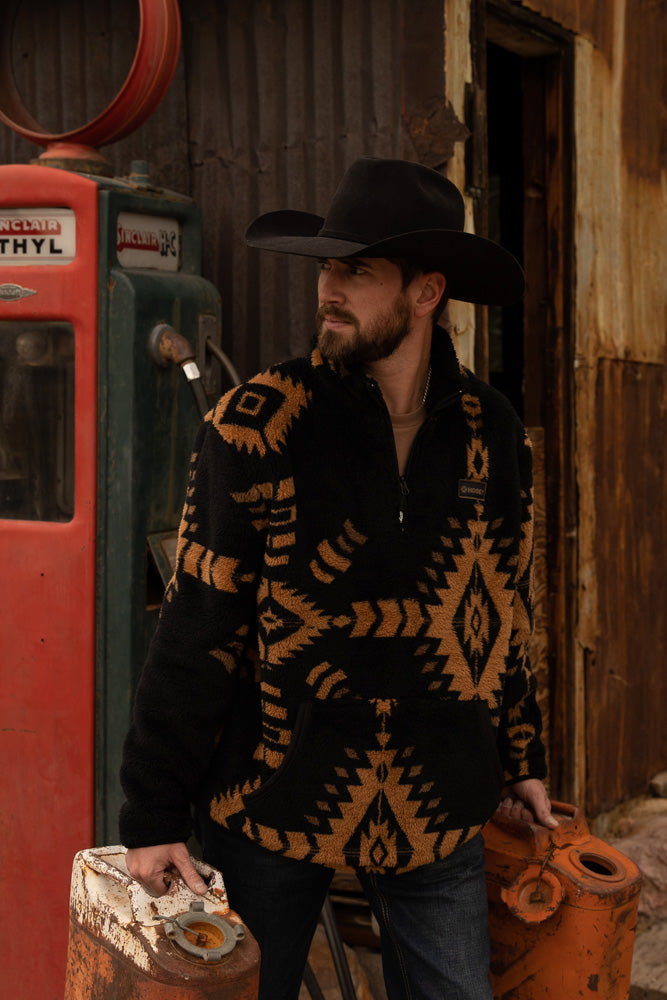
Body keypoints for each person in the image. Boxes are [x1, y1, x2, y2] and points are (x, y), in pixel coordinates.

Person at [120, 157, 557, 1000]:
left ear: (425, 294)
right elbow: (195, 627)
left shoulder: (489, 431)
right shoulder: (257, 423)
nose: (329, 289)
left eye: (357, 271)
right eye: (327, 267)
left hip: (437, 812)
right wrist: (151, 818)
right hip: (272, 811)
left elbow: (506, 605)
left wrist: (520, 757)